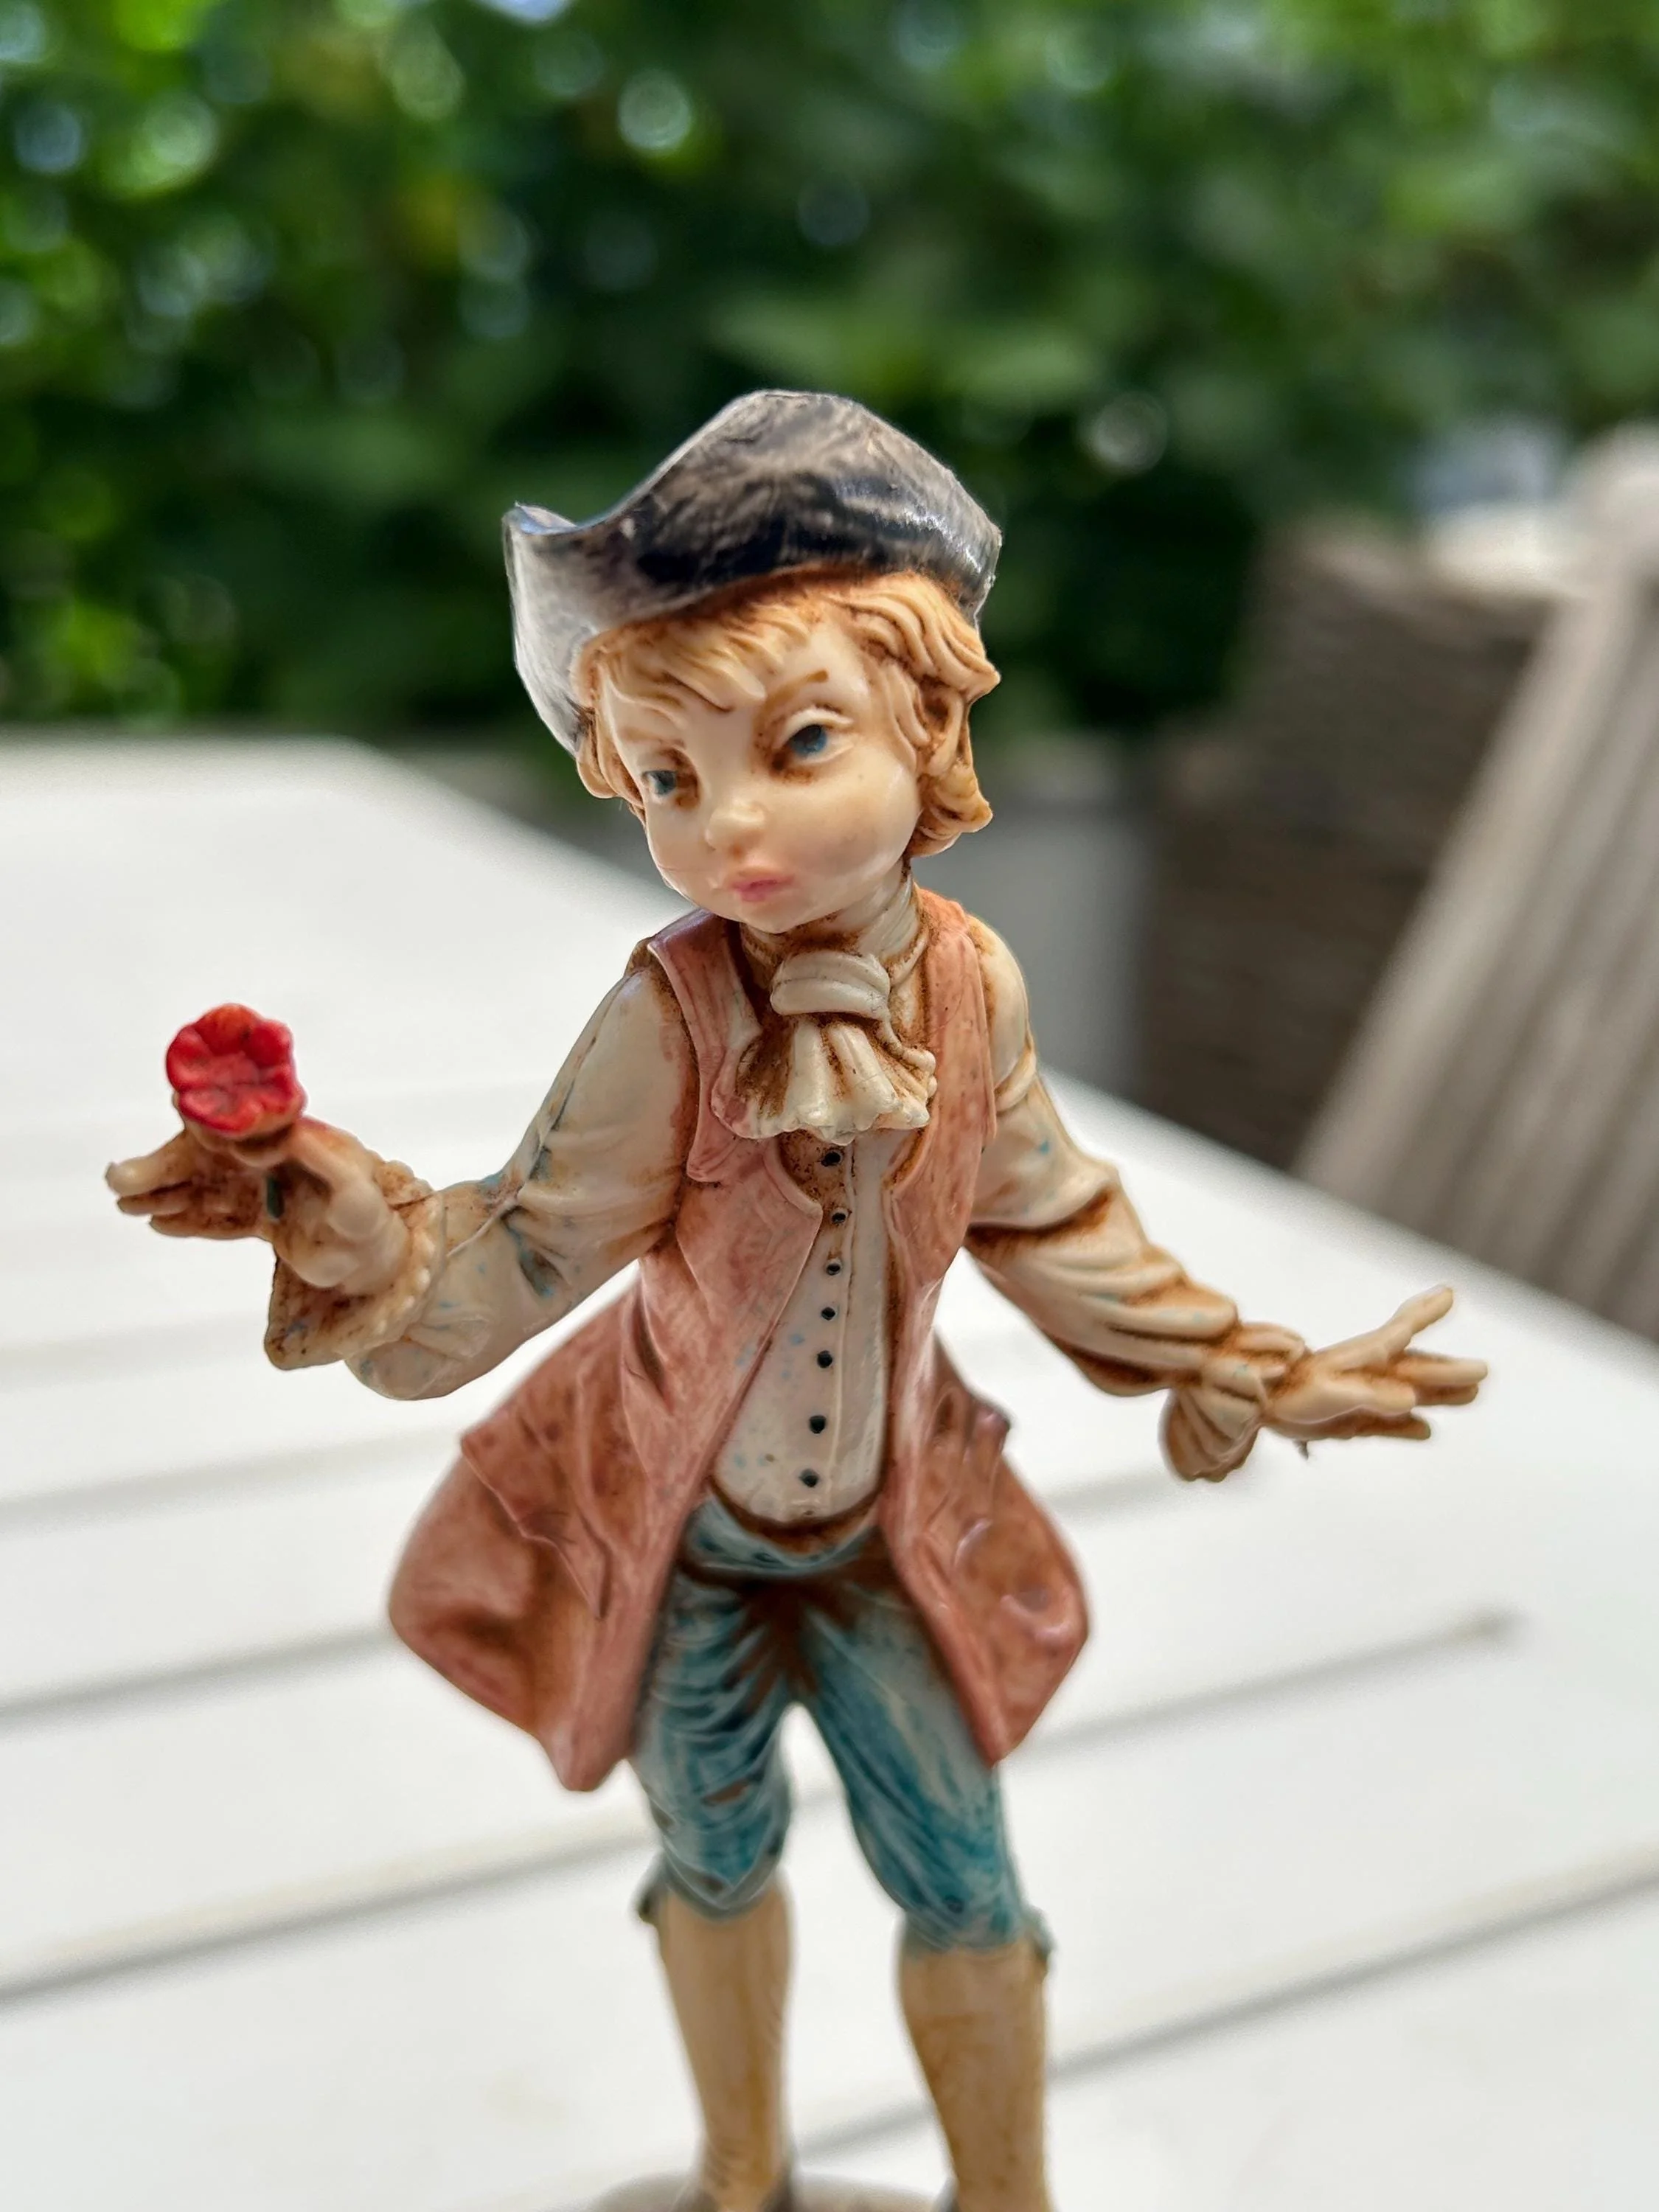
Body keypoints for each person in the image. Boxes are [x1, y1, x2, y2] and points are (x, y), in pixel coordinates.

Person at [108, 392, 1486, 2212]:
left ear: (929, 726)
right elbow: (532, 1244)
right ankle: (739, 2183)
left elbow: (1052, 1212)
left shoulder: (970, 994)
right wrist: (365, 1255)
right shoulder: (671, 1017)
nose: (729, 828)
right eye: (671, 781)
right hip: (683, 1534)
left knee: (970, 1878)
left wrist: (1250, 1360)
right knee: (712, 1854)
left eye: (800, 743)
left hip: (877, 1535)